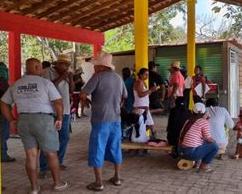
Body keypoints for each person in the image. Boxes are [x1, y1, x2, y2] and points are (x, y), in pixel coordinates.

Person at [0, 58, 69, 193]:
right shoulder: (45, 83)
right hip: (43, 120)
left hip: (24, 121)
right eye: (41, 67)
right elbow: (58, 102)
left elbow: (3, 103)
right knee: (51, 154)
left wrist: (12, 120)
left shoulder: (17, 84)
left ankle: (34, 188)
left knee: (31, 156)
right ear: (37, 67)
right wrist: (60, 118)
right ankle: (57, 184)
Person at [80, 52, 127, 191]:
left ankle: (98, 183)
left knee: (97, 148)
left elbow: (82, 94)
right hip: (116, 120)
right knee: (115, 147)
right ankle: (117, 178)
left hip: (100, 120)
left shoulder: (97, 77)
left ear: (101, 66)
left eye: (95, 65)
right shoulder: (119, 78)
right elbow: (125, 96)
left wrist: (87, 101)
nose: (94, 68)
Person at [40, 53, 74, 175]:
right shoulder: (47, 72)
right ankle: (44, 167)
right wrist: (62, 76)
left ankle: (58, 163)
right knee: (48, 139)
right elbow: (49, 88)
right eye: (63, 64)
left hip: (65, 112)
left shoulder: (66, 74)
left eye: (67, 65)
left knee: (64, 137)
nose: (65, 67)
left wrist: (69, 78)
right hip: (51, 112)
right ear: (58, 64)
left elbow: (71, 90)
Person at [178, 103, 219, 173]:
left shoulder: (188, 121)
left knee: (201, 141)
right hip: (190, 154)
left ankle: (198, 162)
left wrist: (205, 121)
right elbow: (209, 139)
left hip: (180, 151)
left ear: (192, 112)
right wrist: (215, 141)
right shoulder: (203, 122)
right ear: (204, 112)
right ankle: (204, 166)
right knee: (214, 146)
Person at [133, 68, 158, 139]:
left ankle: (145, 137)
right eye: (145, 74)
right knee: (148, 123)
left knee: (146, 123)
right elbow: (140, 95)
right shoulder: (139, 82)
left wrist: (152, 91)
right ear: (140, 75)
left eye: (148, 74)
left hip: (144, 106)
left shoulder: (143, 82)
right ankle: (152, 137)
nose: (147, 76)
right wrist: (151, 90)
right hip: (140, 106)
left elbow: (145, 95)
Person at [0, 62, 15, 162]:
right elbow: (3, 84)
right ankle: (2, 154)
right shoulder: (2, 79)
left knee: (2, 132)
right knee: (3, 132)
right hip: (1, 109)